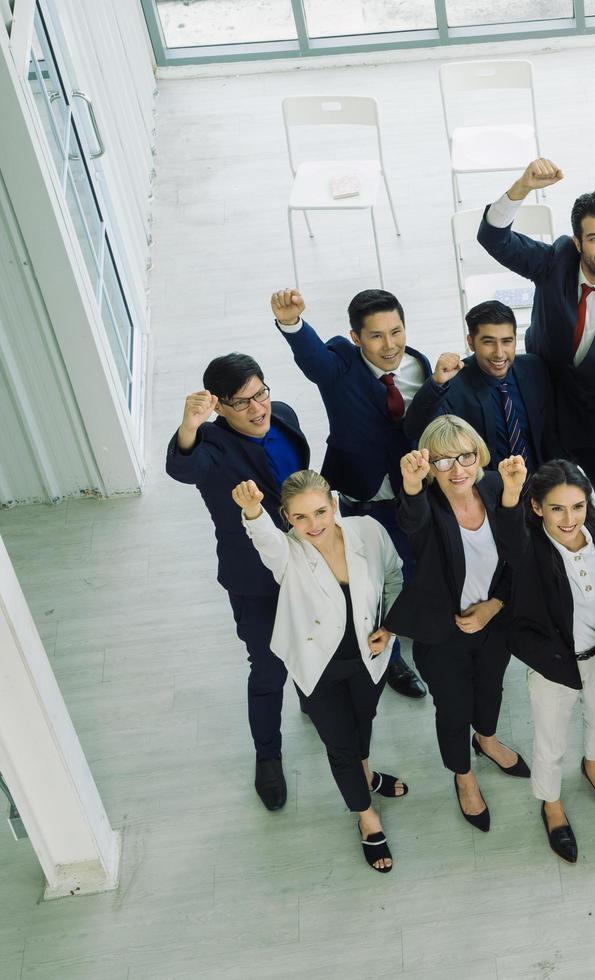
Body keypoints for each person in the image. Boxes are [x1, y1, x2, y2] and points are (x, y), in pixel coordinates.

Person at [234, 471, 406, 872]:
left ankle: (366, 776)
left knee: (364, 722)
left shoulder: (368, 531)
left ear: (334, 503)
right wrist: (253, 512)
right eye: (300, 518)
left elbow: (395, 576)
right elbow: (266, 540)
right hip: (318, 666)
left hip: (369, 657)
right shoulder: (288, 552)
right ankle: (367, 817)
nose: (314, 525)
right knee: (340, 745)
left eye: (320, 511)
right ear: (287, 520)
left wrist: (391, 626)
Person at [270, 287, 431, 700]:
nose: (390, 345)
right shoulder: (341, 362)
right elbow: (314, 362)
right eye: (376, 336)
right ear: (357, 337)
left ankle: (407, 623)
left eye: (396, 332)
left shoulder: (418, 364)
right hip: (359, 494)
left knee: (409, 565)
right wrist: (293, 325)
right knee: (367, 578)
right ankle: (389, 657)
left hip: (409, 490)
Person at [478, 158, 595, 512]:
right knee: (546, 517)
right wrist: (522, 187)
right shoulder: (557, 260)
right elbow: (493, 238)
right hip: (543, 422)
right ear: (578, 242)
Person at [165, 353, 310, 811]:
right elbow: (183, 468)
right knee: (268, 668)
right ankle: (267, 755)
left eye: (260, 393)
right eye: (242, 402)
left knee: (314, 641)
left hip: (308, 560)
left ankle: (313, 702)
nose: (257, 408)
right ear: (219, 407)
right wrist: (190, 425)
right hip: (254, 575)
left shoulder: (284, 415)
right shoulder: (209, 443)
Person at [382, 415, 528, 834]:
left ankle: (486, 739)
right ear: (429, 467)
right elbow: (413, 524)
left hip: (494, 621)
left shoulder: (496, 489)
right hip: (442, 632)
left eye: (465, 456)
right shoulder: (426, 503)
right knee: (453, 707)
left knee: (491, 687)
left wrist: (494, 606)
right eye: (443, 461)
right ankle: (463, 776)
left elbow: (519, 554)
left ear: (478, 454)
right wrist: (411, 486)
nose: (458, 469)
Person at [488, 457, 595, 864]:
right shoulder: (530, 548)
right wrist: (512, 491)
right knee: (550, 744)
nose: (569, 519)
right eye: (556, 508)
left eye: (577, 506)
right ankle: (550, 805)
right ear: (537, 508)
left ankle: (594, 766)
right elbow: (509, 538)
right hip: (554, 663)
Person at [403, 300, 557, 469]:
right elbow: (414, 430)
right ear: (471, 342)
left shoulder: (534, 368)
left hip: (541, 484)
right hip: (489, 490)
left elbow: (552, 432)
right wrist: (436, 383)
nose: (499, 353)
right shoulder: (453, 383)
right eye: (488, 342)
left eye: (507, 341)